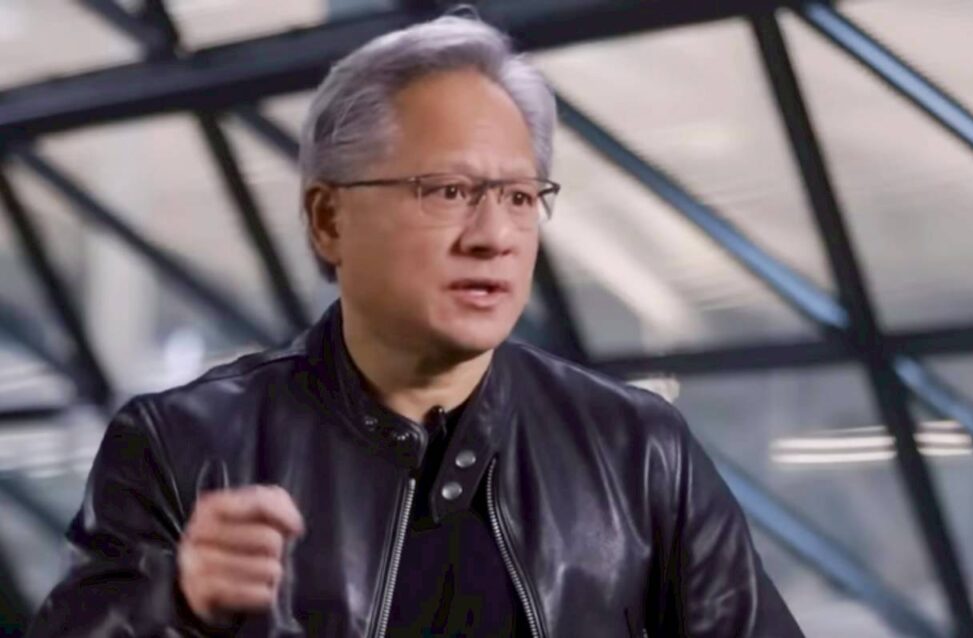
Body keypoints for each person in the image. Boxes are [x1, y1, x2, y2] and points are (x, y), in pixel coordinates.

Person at [27, 12, 803, 638]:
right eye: (447, 191)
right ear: (329, 219)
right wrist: (176, 604)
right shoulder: (184, 448)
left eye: (520, 197)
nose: (493, 236)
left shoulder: (636, 452)